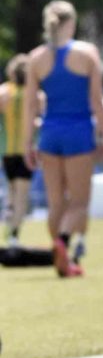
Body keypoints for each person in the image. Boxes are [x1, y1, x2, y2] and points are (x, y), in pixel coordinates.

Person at [23, 0, 103, 277]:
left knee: (56, 202)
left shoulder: (35, 59)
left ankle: (62, 260)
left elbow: (29, 106)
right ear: (71, 23)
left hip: (49, 134)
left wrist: (27, 143)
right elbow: (97, 100)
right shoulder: (87, 54)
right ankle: (63, 242)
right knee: (79, 203)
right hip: (79, 133)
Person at [0, 55, 35, 246]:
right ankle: (14, 234)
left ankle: (9, 212)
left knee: (11, 190)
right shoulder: (35, 94)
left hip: (6, 150)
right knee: (22, 193)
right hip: (26, 151)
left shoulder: (4, 92)